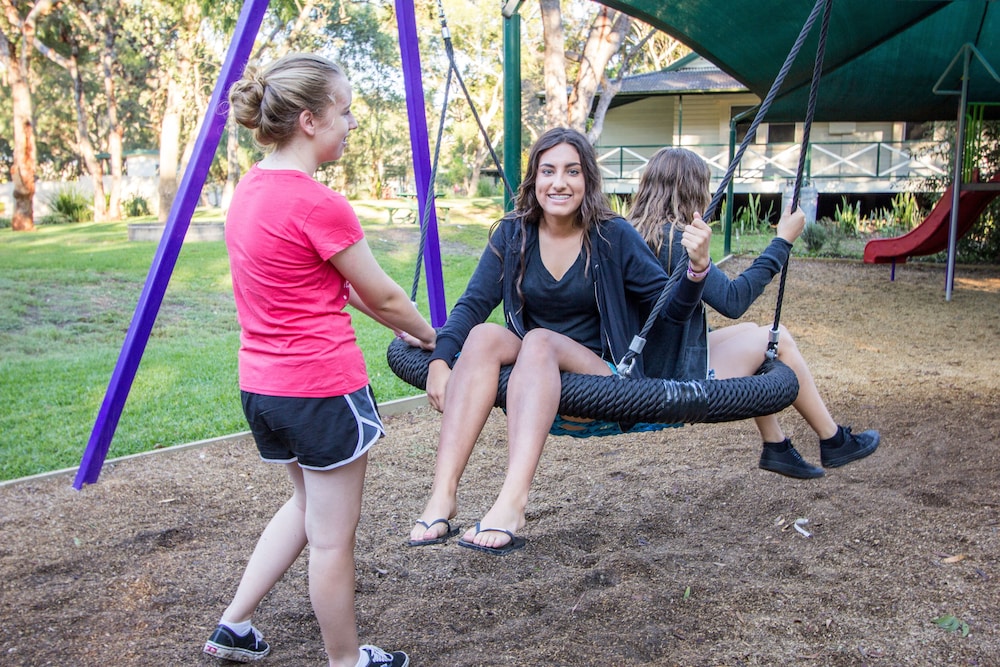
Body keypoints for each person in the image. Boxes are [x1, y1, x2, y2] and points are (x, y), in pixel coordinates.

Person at [203, 54, 435, 667]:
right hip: (321, 390)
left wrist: (399, 325)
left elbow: (335, 283)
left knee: (306, 508)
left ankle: (235, 623)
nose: (352, 123)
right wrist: (429, 334)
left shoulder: (250, 189)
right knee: (332, 541)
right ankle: (346, 660)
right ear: (309, 120)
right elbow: (383, 292)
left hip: (265, 389)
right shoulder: (318, 203)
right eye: (345, 111)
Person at [407, 127, 711, 555]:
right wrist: (441, 359)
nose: (559, 182)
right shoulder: (513, 235)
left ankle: (513, 502)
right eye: (548, 171)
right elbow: (472, 304)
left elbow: (669, 312)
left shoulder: (613, 236)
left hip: (605, 375)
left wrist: (696, 271)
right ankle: (443, 494)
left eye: (572, 171)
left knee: (539, 341)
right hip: (537, 371)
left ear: (587, 179)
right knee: (485, 335)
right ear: (534, 179)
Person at [628, 146, 879, 479]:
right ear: (694, 191)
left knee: (752, 330)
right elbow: (733, 300)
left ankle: (775, 444)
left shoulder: (637, 233)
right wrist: (782, 242)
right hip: (674, 376)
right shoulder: (679, 240)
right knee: (779, 340)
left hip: (659, 358)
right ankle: (833, 440)